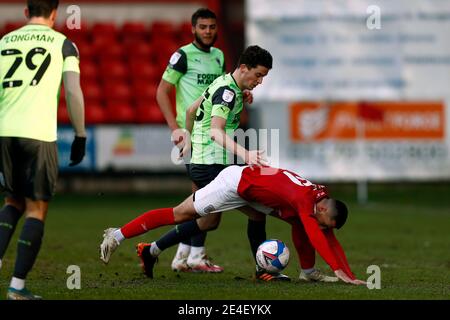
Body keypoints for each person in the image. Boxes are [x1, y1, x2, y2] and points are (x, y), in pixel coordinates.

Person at [100, 165, 366, 285]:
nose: (323, 228)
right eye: (324, 223)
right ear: (322, 209)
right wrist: (337, 269)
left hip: (254, 190)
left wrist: (349, 275)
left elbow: (322, 235)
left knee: (270, 219)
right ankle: (117, 235)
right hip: (233, 185)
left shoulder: (318, 199)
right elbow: (315, 235)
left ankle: (304, 271)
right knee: (181, 214)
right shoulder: (304, 199)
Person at [151, 43, 266, 274]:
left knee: (204, 219)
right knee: (256, 213)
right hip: (212, 165)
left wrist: (189, 138)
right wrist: (247, 155)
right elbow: (215, 131)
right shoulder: (227, 91)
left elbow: (191, 110)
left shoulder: (221, 82)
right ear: (244, 68)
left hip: (205, 163)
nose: (260, 81)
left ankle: (153, 249)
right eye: (258, 75)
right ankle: (263, 269)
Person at [0, 0, 86, 300]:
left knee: (13, 200)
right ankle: (17, 288)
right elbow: (73, 91)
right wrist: (80, 134)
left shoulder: (4, 41)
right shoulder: (64, 44)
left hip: (5, 131)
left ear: (26, 13)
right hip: (37, 134)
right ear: (54, 14)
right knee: (37, 208)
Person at [156, 8, 226, 273]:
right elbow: (161, 92)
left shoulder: (219, 56)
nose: (208, 31)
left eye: (211, 27)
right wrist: (175, 128)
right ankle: (193, 255)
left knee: (200, 196)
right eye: (203, 27)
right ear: (193, 29)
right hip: (191, 135)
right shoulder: (183, 56)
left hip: (212, 135)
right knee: (206, 195)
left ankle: (183, 256)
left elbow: (224, 89)